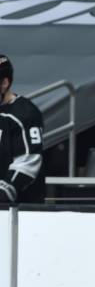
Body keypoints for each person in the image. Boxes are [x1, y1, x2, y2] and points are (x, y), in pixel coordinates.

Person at [0, 55, 44, 203]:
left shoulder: (25, 114)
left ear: (4, 83)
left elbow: (29, 160)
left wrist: (5, 190)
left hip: (23, 210)